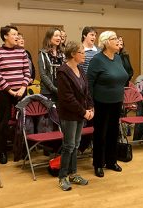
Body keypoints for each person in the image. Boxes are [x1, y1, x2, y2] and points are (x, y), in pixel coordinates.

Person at [87, 31, 128, 177]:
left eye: (117, 38)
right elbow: (89, 83)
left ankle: (111, 161)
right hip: (101, 102)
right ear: (106, 42)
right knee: (100, 134)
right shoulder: (97, 60)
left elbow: (123, 76)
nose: (118, 41)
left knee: (113, 132)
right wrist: (90, 103)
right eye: (114, 39)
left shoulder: (118, 58)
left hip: (116, 101)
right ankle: (98, 164)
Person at [57, 41, 93, 191]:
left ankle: (73, 174)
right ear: (73, 54)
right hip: (69, 114)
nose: (84, 55)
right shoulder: (63, 71)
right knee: (69, 145)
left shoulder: (80, 69)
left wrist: (90, 107)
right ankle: (63, 177)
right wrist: (84, 112)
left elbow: (86, 91)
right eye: (82, 52)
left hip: (80, 113)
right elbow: (67, 98)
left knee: (76, 145)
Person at [0, 25, 31, 164]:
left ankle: (23, 150)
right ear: (5, 37)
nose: (16, 37)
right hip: (3, 92)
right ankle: (2, 151)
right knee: (3, 122)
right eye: (13, 34)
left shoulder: (22, 52)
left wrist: (23, 87)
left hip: (21, 91)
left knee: (24, 121)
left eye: (17, 34)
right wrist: (10, 90)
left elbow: (27, 72)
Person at [38, 28, 65, 103]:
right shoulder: (43, 53)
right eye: (56, 36)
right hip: (47, 92)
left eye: (60, 36)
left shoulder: (62, 53)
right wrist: (54, 89)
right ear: (49, 38)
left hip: (61, 91)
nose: (59, 38)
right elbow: (43, 75)